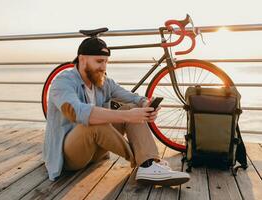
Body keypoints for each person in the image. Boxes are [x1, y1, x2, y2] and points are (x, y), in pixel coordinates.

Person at [42, 36, 190, 186]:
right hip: (69, 157)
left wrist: (145, 104)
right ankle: (145, 164)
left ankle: (148, 162)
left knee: (131, 108)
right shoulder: (63, 82)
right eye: (99, 61)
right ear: (82, 59)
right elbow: (77, 112)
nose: (103, 67)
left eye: (106, 62)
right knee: (95, 122)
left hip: (95, 154)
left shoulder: (103, 81)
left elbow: (132, 98)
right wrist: (126, 116)